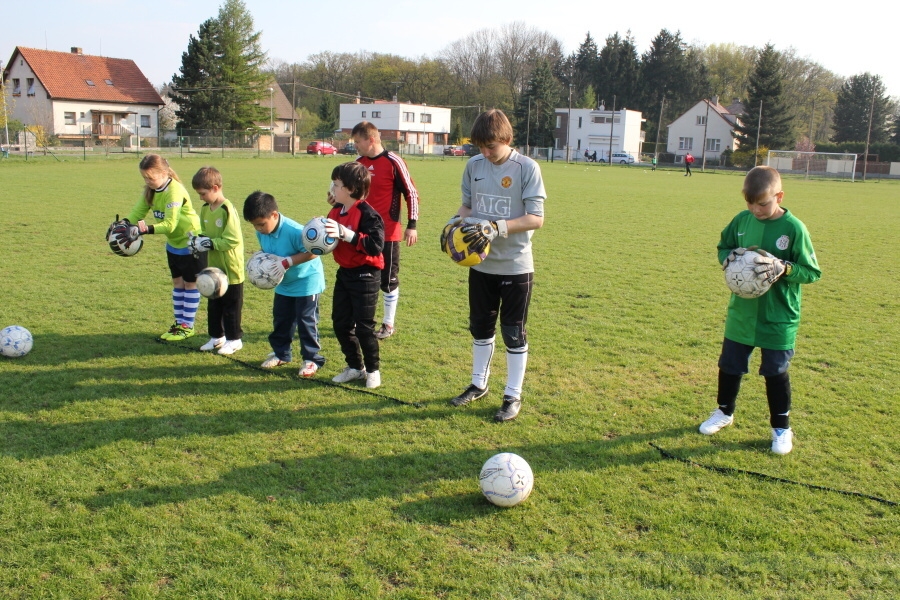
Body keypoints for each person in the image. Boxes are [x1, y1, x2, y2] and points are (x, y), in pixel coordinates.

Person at [701, 166, 821, 454]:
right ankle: (724, 412)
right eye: (750, 203)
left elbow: (812, 272)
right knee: (729, 365)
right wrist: (729, 258)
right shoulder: (742, 220)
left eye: (763, 203)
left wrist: (784, 268)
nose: (756, 209)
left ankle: (781, 427)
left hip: (778, 316)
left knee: (775, 372)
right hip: (742, 312)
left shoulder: (794, 228)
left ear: (779, 196)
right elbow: (724, 246)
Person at [444, 109, 546, 422]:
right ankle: (478, 384)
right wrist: (454, 222)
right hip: (481, 266)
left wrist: (495, 228)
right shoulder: (474, 165)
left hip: (515, 266)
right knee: (480, 327)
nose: (485, 153)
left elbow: (536, 219)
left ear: (506, 139)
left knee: (513, 333)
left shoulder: (527, 168)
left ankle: (512, 395)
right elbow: (468, 206)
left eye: (491, 147)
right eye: (480, 147)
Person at [116, 154, 205, 341]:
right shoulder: (151, 190)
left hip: (191, 242)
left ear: (164, 173)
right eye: (144, 178)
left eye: (150, 177)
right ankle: (178, 323)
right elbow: (138, 212)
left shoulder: (174, 191)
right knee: (178, 284)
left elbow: (170, 224)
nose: (147, 181)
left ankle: (187, 326)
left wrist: (145, 230)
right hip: (173, 244)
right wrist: (123, 224)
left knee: (191, 284)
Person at [242, 191, 327, 378]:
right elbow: (268, 252)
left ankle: (311, 359)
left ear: (274, 215)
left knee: (306, 321)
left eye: (261, 224)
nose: (258, 229)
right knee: (281, 319)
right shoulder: (262, 232)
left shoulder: (295, 231)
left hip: (307, 282)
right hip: (284, 283)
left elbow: (314, 252)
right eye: (255, 225)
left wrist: (286, 262)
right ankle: (281, 354)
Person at [350, 121, 420, 340]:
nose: (356, 146)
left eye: (358, 142)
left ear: (371, 139)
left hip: (387, 233)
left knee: (387, 279)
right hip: (360, 233)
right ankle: (358, 320)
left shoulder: (393, 161)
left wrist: (412, 225)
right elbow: (348, 193)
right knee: (358, 276)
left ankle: (388, 323)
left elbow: (411, 193)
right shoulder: (358, 163)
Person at [324, 162, 385, 389]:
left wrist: (348, 234)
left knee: (364, 327)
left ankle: (373, 370)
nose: (332, 188)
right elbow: (328, 238)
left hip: (366, 275)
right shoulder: (335, 211)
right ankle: (355, 367)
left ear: (350, 188)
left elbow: (376, 245)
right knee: (340, 324)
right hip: (345, 273)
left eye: (336, 184)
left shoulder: (368, 214)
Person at [188, 166, 245, 355]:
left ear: (215, 188)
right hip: (213, 268)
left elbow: (232, 239)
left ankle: (234, 339)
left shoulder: (227, 209)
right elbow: (205, 235)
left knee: (231, 306)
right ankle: (216, 337)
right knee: (214, 305)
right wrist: (197, 241)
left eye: (203, 193)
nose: (201, 197)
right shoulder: (205, 209)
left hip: (230, 268)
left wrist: (210, 243)